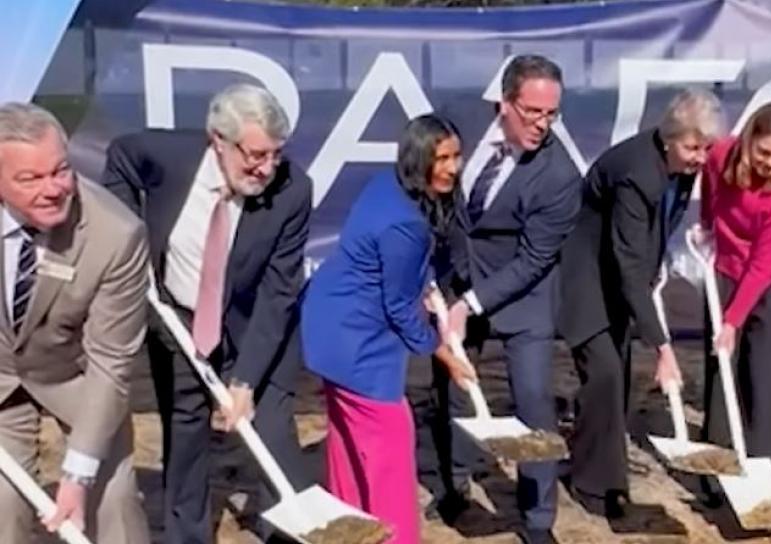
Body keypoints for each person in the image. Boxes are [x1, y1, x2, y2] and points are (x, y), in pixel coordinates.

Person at [101, 83, 311, 544]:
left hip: (254, 324)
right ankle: (187, 536)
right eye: (255, 154)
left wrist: (245, 381)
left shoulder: (293, 190)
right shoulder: (167, 155)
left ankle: (287, 532)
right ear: (219, 139)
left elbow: (279, 292)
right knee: (186, 431)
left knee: (272, 432)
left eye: (275, 154)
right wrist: (125, 240)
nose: (266, 168)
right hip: (177, 317)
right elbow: (119, 157)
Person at [302, 114, 477, 544]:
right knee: (391, 449)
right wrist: (445, 354)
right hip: (358, 342)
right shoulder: (407, 225)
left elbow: (394, 275)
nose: (453, 168)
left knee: (347, 445)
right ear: (419, 160)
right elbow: (398, 307)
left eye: (456, 156)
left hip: (328, 327)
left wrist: (424, 284)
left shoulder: (387, 184)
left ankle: (350, 529)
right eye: (442, 158)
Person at [432, 54, 581, 544]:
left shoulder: (559, 175)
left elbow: (534, 260)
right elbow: (432, 191)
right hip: (458, 275)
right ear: (505, 102)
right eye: (531, 111)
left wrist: (470, 303)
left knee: (534, 402)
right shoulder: (460, 120)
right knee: (454, 389)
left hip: (523, 296)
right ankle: (455, 486)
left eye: (551, 114)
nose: (542, 124)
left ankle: (538, 521)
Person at [556, 89, 724, 518]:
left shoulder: (680, 167)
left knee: (617, 378)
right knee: (607, 375)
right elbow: (626, 261)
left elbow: (648, 241)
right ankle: (597, 487)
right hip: (588, 279)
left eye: (706, 148)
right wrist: (664, 349)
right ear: (669, 138)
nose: (700, 157)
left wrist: (658, 264)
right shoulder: (636, 172)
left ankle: (592, 458)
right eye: (691, 147)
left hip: (623, 278)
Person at [0, 102, 150, 543]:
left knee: (114, 498)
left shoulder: (116, 235)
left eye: (61, 171)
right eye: (29, 179)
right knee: (2, 504)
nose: (53, 189)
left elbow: (111, 361)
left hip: (79, 375)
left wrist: (78, 474)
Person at [696, 101, 771, 484]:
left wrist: (731, 321)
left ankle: (769, 476)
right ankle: (716, 472)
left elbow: (763, 265)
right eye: (764, 152)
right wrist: (707, 225)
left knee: (764, 377)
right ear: (748, 141)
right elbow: (710, 185)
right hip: (726, 268)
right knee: (720, 369)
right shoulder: (722, 154)